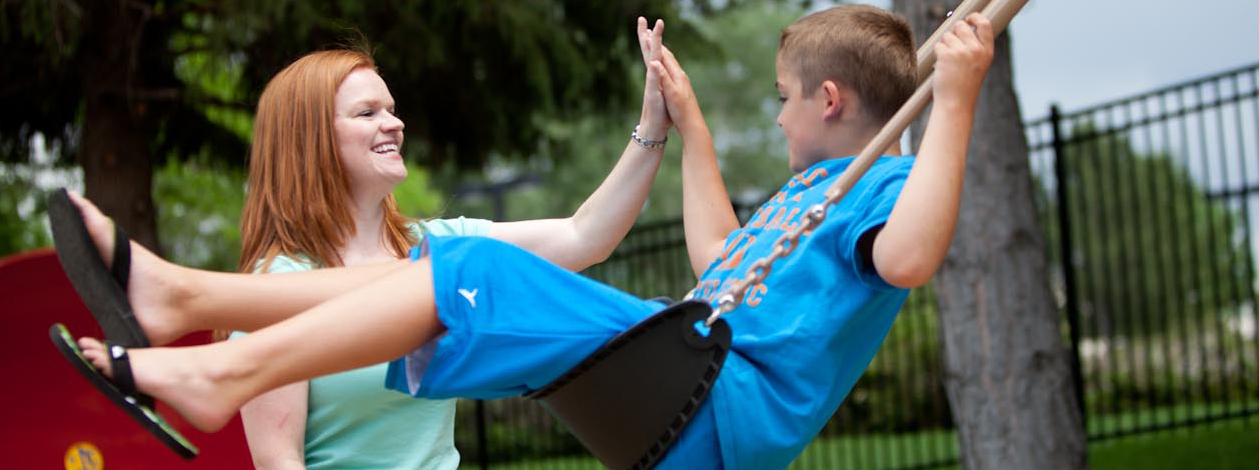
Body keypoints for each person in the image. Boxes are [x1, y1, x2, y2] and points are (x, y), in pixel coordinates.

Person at [49, 5, 995, 470]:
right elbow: (718, 263)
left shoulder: (883, 183)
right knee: (451, 273)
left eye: (783, 99)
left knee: (465, 268)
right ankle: (188, 306)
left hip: (713, 395)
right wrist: (688, 124)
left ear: (829, 101)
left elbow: (910, 257)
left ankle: (197, 330)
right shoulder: (810, 195)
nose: (777, 115)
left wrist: (954, 99)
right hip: (688, 374)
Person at [225, 18, 672, 470]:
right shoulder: (276, 292)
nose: (395, 124)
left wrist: (653, 124)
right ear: (310, 139)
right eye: (368, 113)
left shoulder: (441, 250)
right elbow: (280, 460)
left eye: (391, 109)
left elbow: (584, 236)